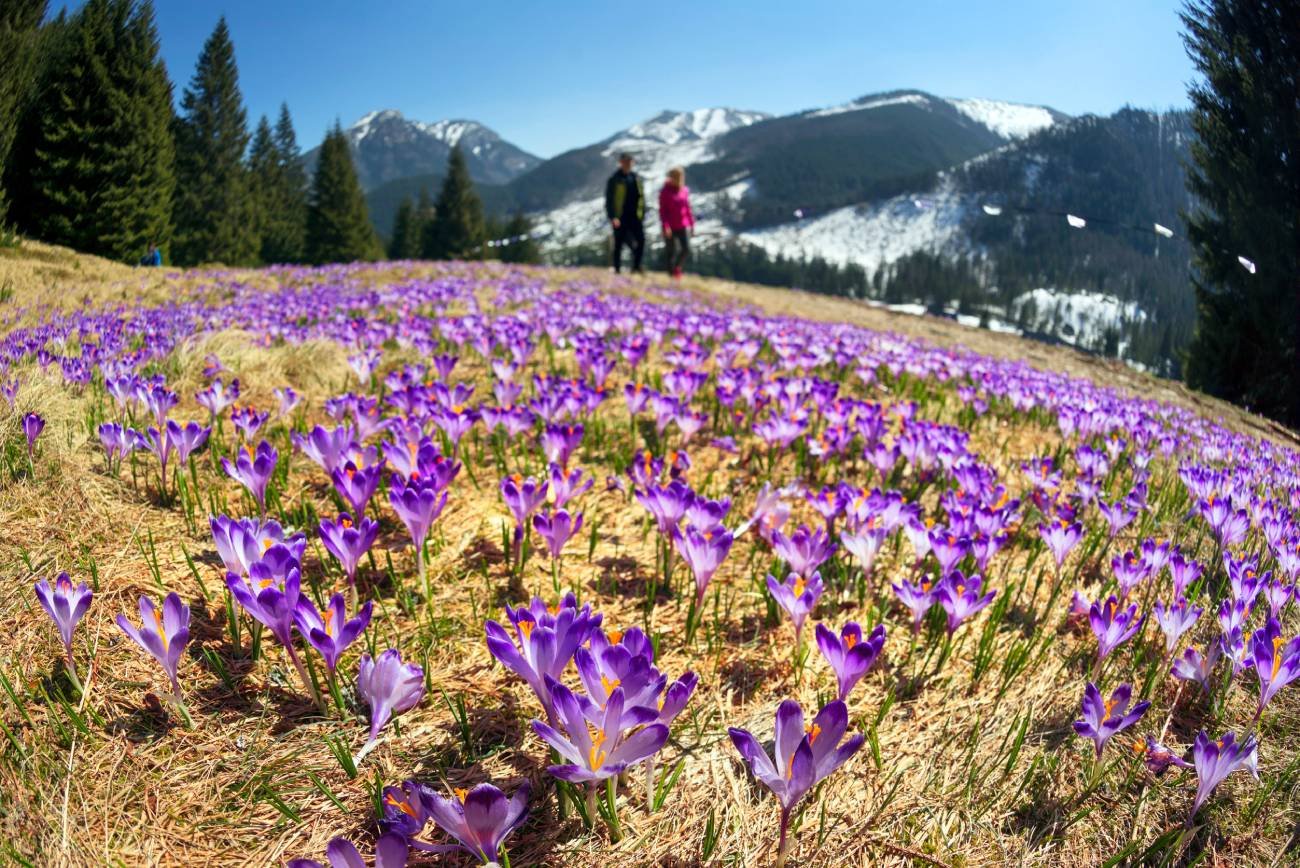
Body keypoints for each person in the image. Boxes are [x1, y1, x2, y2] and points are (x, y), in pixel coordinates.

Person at [604, 152, 644, 274]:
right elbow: (609, 200)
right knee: (618, 244)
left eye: (630, 161)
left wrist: (642, 213)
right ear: (621, 162)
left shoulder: (636, 178)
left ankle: (636, 267)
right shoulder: (614, 179)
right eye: (625, 161)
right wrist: (613, 217)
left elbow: (641, 197)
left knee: (641, 241)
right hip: (620, 217)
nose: (628, 164)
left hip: (635, 217)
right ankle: (617, 269)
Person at [658, 167, 694, 278]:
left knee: (686, 249)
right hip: (670, 226)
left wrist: (692, 224)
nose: (679, 179)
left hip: (683, 224)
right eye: (676, 177)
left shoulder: (684, 190)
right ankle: (671, 275)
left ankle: (677, 268)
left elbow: (687, 208)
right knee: (671, 251)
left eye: (680, 177)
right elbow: (662, 210)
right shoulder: (665, 191)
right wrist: (665, 226)